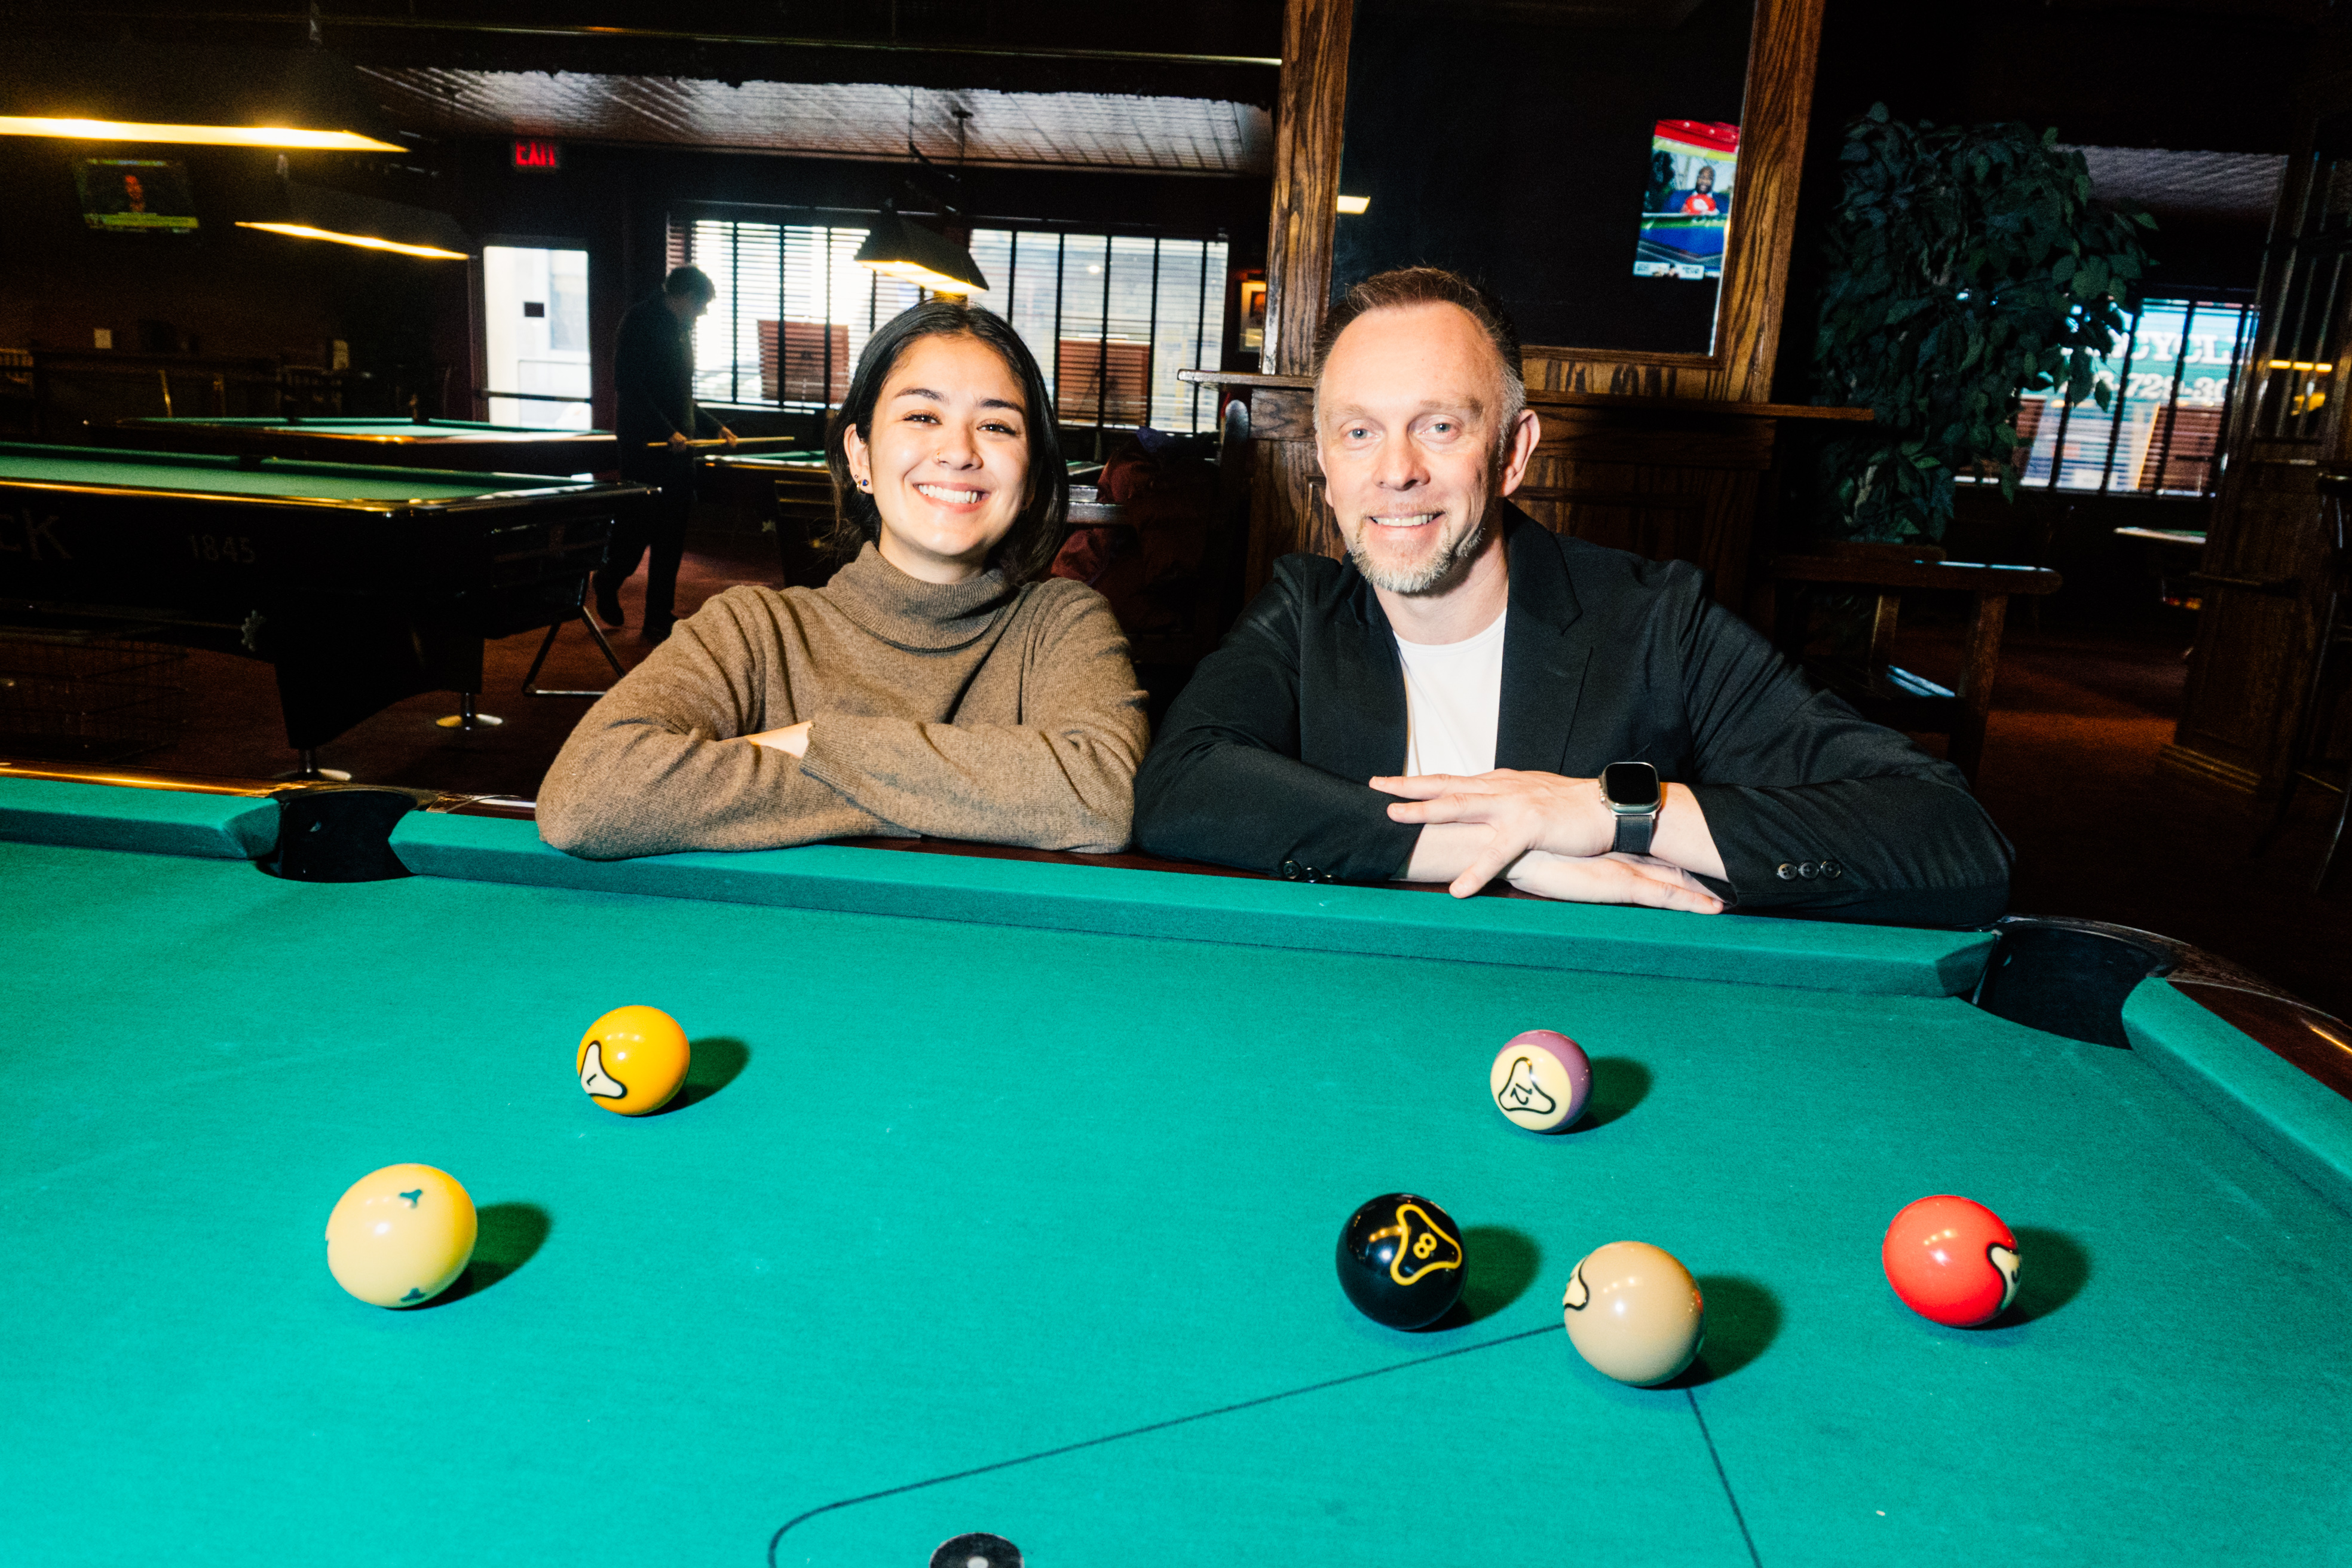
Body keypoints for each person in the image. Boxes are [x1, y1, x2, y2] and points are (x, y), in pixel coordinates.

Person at [1132, 267, 2013, 927]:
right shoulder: (1303, 611)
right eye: (1359, 433)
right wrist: (1501, 848)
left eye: (1440, 427)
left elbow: (1954, 839)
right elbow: (1176, 788)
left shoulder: (1655, 623)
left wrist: (1609, 816)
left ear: (1514, 453)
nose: (1396, 472)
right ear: (1325, 468)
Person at [538, 299, 1148, 860]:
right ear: (860, 456)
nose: (959, 451)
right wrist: (978, 792)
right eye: (922, 414)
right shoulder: (755, 628)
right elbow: (586, 794)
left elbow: (1101, 794)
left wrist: (812, 744)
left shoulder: (1064, 623)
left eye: (996, 426)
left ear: (1034, 472)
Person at [600, 264, 737, 642]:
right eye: (703, 305)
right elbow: (629, 387)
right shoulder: (639, 322)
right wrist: (667, 431)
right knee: (636, 530)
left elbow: (681, 395)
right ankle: (608, 579)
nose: (704, 313)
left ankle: (658, 616)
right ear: (685, 297)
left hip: (680, 451)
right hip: (645, 448)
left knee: (672, 536)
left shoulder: (682, 328)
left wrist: (713, 427)